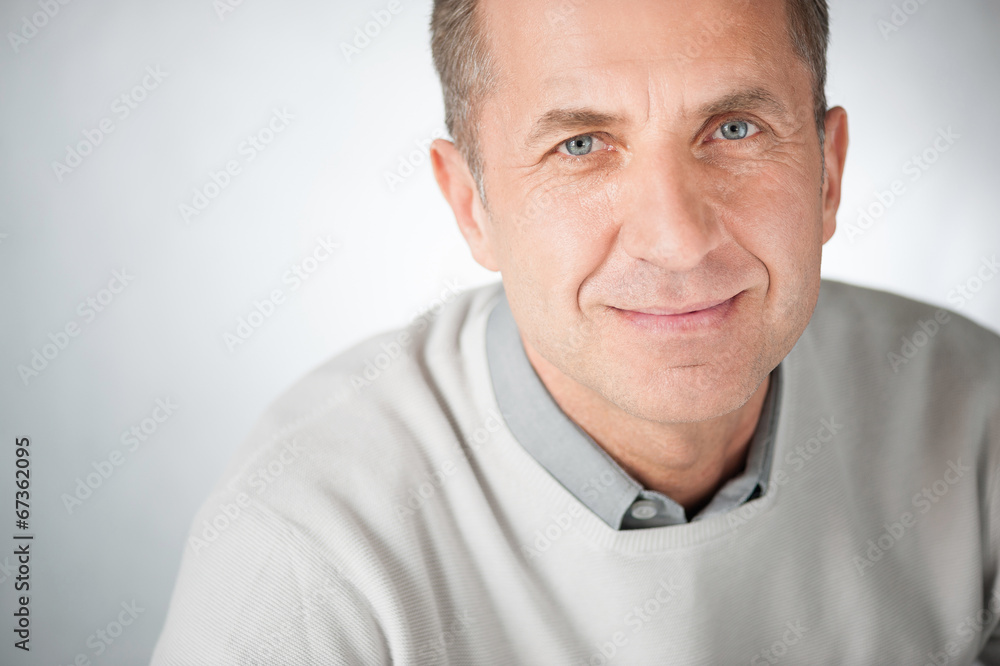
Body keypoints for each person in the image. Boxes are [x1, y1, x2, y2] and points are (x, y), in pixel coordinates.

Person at [152, 0, 1000, 663]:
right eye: (582, 144)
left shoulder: (976, 418)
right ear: (470, 204)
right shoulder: (306, 549)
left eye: (734, 129)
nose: (676, 238)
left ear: (829, 171)